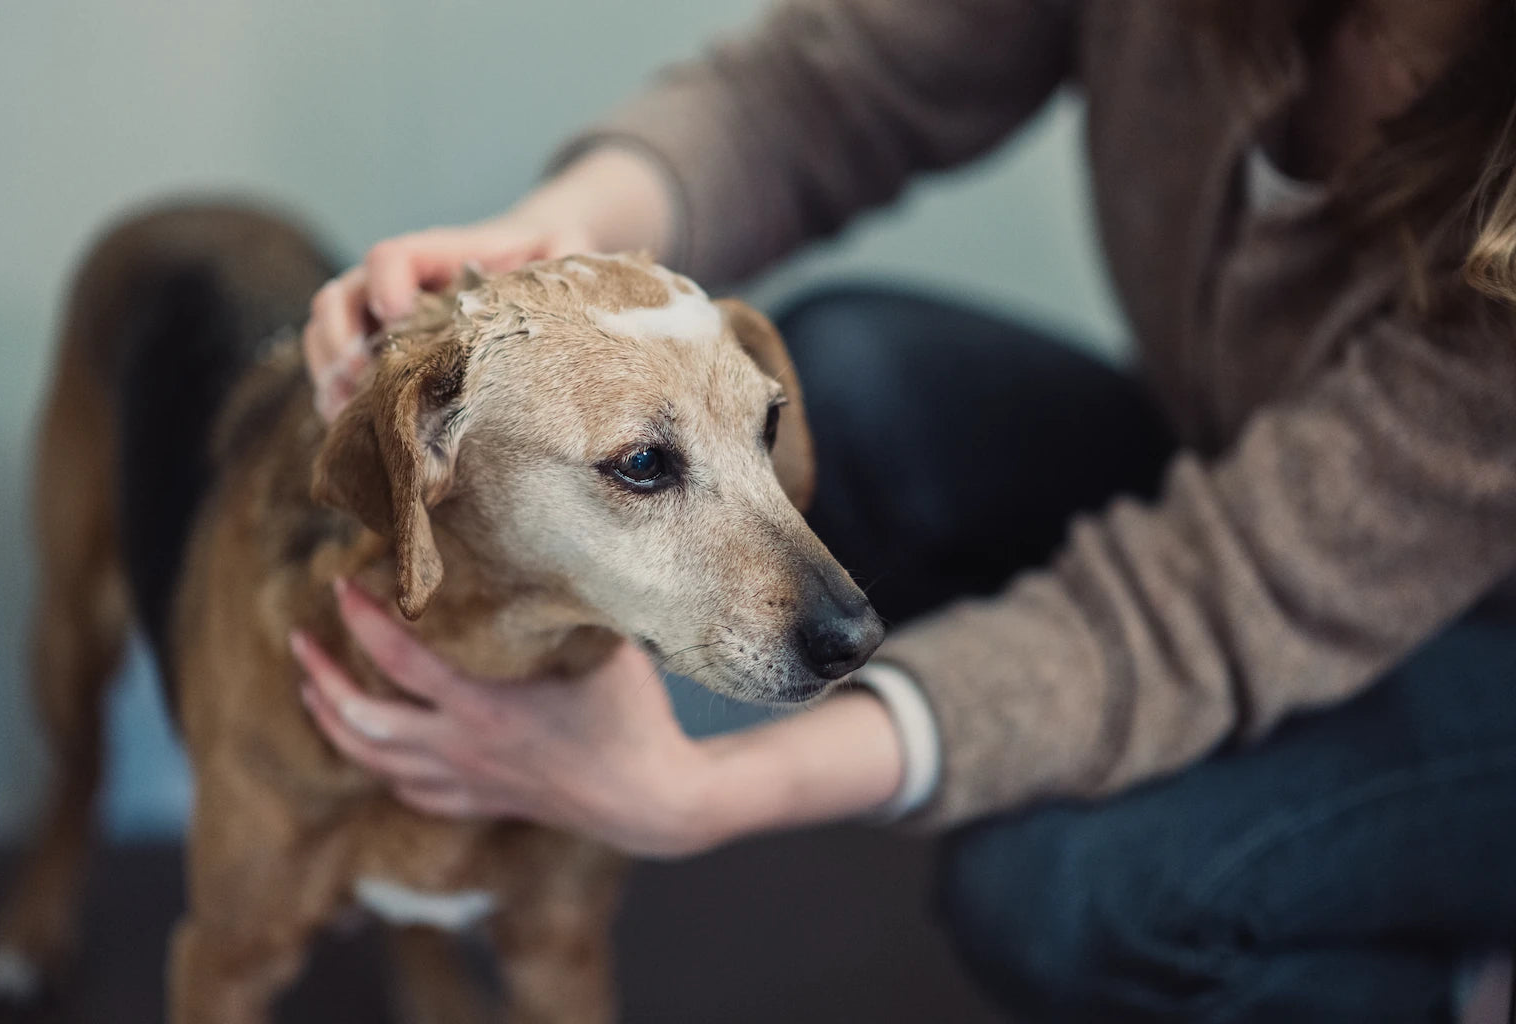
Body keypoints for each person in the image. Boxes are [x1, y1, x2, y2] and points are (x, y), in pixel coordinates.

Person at [291, 1, 1516, 1020]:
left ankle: (1435, 969)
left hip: (1476, 624)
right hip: (1253, 476)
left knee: (1066, 895)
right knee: (855, 376)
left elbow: (1203, 608)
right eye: (643, 467)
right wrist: (542, 240)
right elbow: (828, 88)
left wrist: (705, 793)